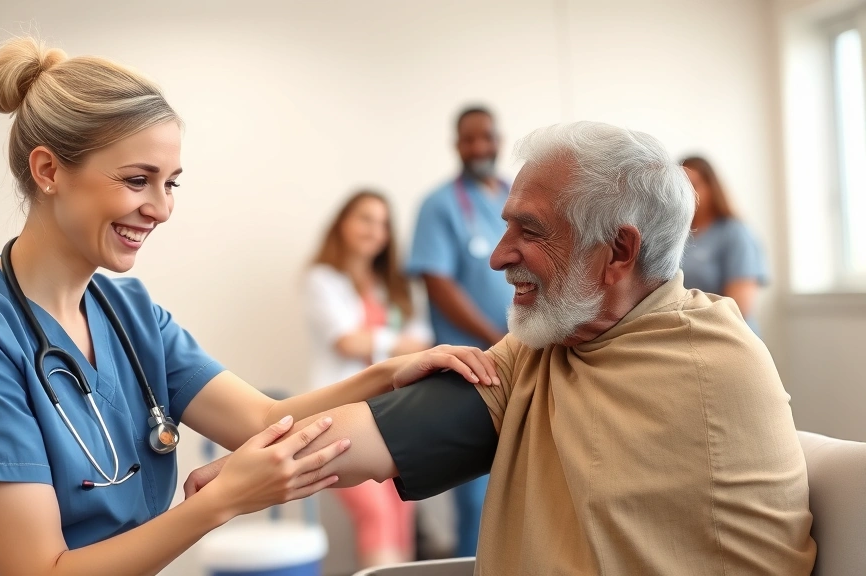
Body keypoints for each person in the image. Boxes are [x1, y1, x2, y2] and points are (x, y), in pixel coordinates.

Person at [0, 37, 500, 576]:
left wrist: (388, 375)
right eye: (136, 180)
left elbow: (263, 420)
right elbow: (39, 571)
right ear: (49, 170)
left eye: (170, 184)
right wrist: (219, 503)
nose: (161, 209)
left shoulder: (128, 313)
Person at [188, 121, 817, 574]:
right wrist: (244, 472)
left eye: (531, 231)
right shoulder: (548, 347)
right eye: (504, 225)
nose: (496, 257)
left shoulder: (712, 363)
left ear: (618, 252)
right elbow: (375, 437)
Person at [405, 105, 513, 557]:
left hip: (521, 360)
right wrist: (495, 334)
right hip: (468, 364)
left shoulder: (516, 195)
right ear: (457, 145)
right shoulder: (440, 205)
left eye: (485, 137)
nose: (478, 148)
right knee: (477, 493)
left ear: (498, 139)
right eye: (468, 140)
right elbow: (438, 281)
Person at [305, 190, 433, 568]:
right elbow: (346, 342)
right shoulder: (321, 279)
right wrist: (395, 342)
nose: (374, 230)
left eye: (382, 223)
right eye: (365, 218)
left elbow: (422, 344)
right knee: (374, 514)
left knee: (401, 516)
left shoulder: (394, 287)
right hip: (339, 416)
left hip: (393, 413)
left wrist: (376, 340)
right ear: (343, 223)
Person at [680, 156, 768, 334]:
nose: (686, 194)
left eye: (694, 186)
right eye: (680, 188)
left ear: (711, 188)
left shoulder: (734, 233)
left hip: (728, 335)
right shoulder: (676, 236)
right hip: (686, 334)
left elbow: (740, 306)